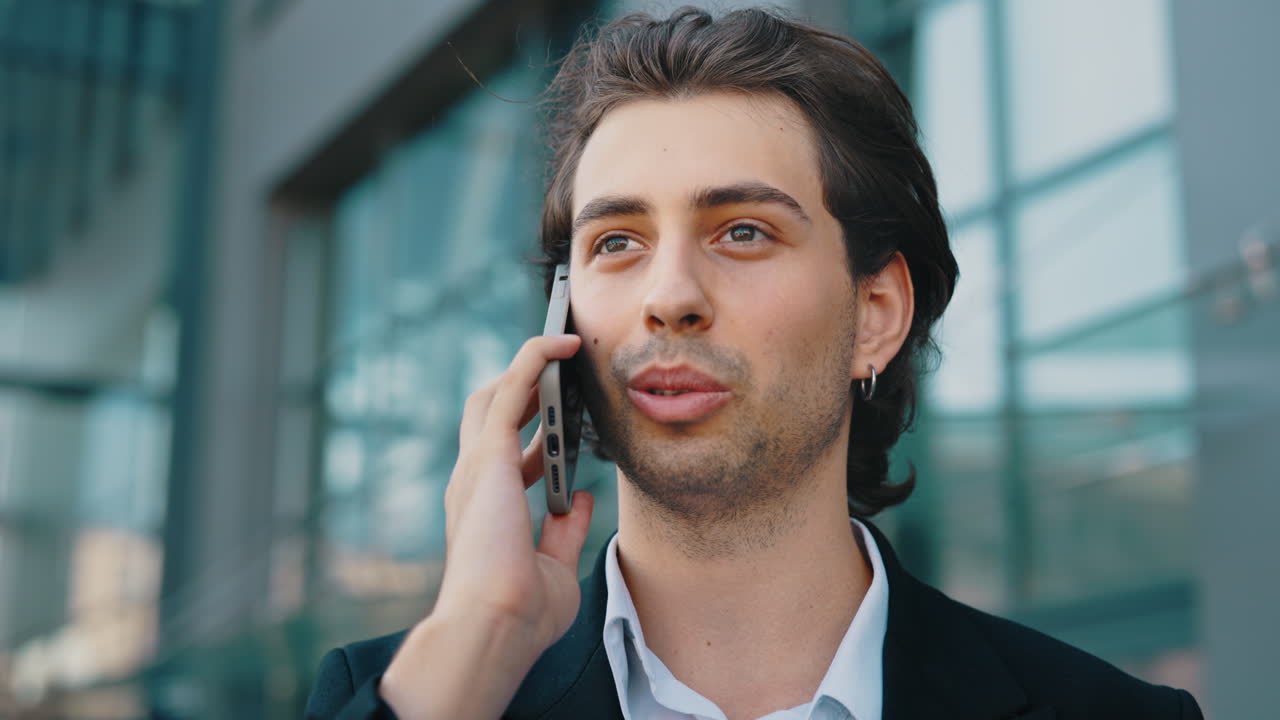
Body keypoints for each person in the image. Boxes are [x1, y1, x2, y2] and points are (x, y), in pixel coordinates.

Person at [304, 7, 1203, 719]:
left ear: (875, 314)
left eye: (743, 231)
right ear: (562, 318)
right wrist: (480, 639)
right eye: (618, 240)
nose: (671, 294)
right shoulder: (418, 695)